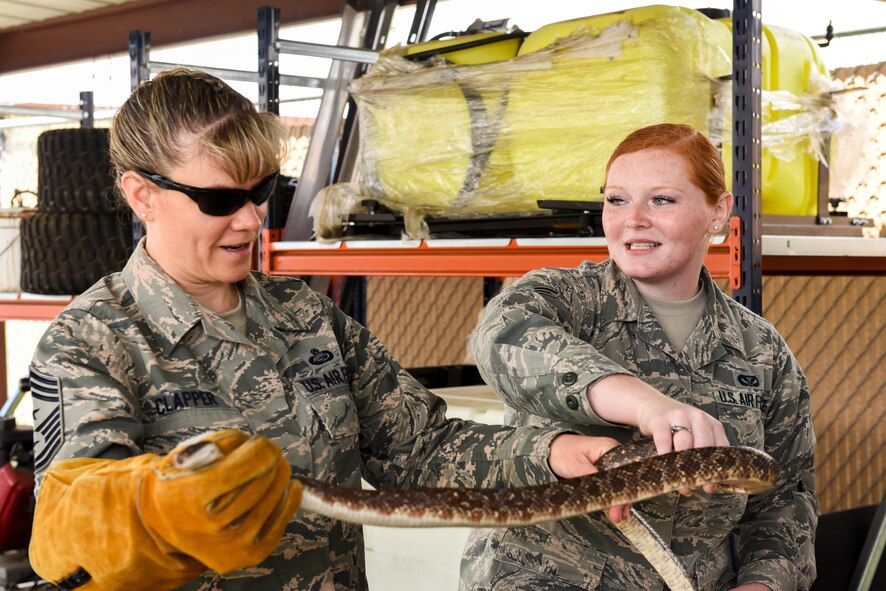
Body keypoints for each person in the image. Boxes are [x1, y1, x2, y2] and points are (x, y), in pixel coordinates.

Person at [27, 68, 624, 591]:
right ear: (142, 196)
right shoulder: (92, 340)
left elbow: (420, 449)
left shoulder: (307, 316)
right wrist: (160, 507)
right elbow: (71, 532)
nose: (252, 218)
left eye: (262, 190)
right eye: (220, 200)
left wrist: (551, 453)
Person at [460, 123, 818, 591]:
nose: (633, 220)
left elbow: (785, 503)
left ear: (718, 212)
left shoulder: (762, 352)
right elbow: (503, 339)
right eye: (617, 199)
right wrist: (649, 406)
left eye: (662, 200)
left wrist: (763, 584)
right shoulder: (562, 299)